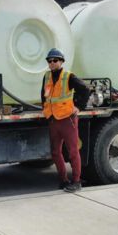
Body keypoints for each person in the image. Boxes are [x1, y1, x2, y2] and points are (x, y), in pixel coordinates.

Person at [41, 48, 89, 192]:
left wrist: (79, 107)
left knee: (73, 151)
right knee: (55, 152)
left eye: (55, 60)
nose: (52, 63)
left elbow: (85, 90)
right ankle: (63, 180)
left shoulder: (68, 76)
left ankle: (76, 181)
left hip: (68, 119)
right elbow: (43, 95)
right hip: (53, 120)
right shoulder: (47, 76)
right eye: (49, 61)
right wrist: (46, 110)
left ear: (61, 61)